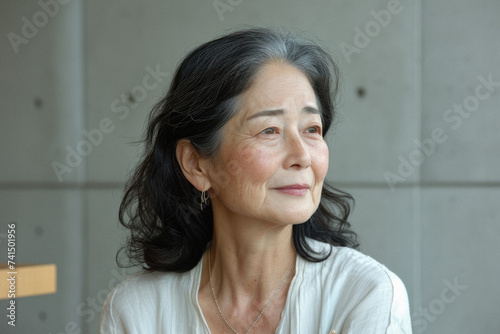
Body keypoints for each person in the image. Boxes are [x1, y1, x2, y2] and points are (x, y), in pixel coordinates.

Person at [99, 27, 412, 334]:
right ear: (196, 164)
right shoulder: (136, 311)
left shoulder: (365, 295)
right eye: (269, 130)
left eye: (311, 129)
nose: (301, 156)